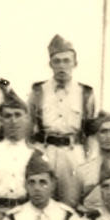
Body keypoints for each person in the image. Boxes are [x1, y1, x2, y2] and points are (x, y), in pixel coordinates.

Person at [28, 34, 97, 204]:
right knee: (41, 202)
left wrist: (88, 162)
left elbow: (91, 133)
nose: (62, 66)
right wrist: (34, 155)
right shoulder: (38, 91)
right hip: (45, 152)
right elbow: (28, 128)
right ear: (50, 64)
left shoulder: (85, 93)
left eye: (66, 61)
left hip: (73, 154)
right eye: (57, 61)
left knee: (71, 205)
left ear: (75, 63)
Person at [0, 91, 35, 220]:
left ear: (26, 118)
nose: (13, 121)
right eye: (8, 116)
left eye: (18, 115)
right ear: (0, 120)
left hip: (26, 217)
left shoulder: (35, 154)